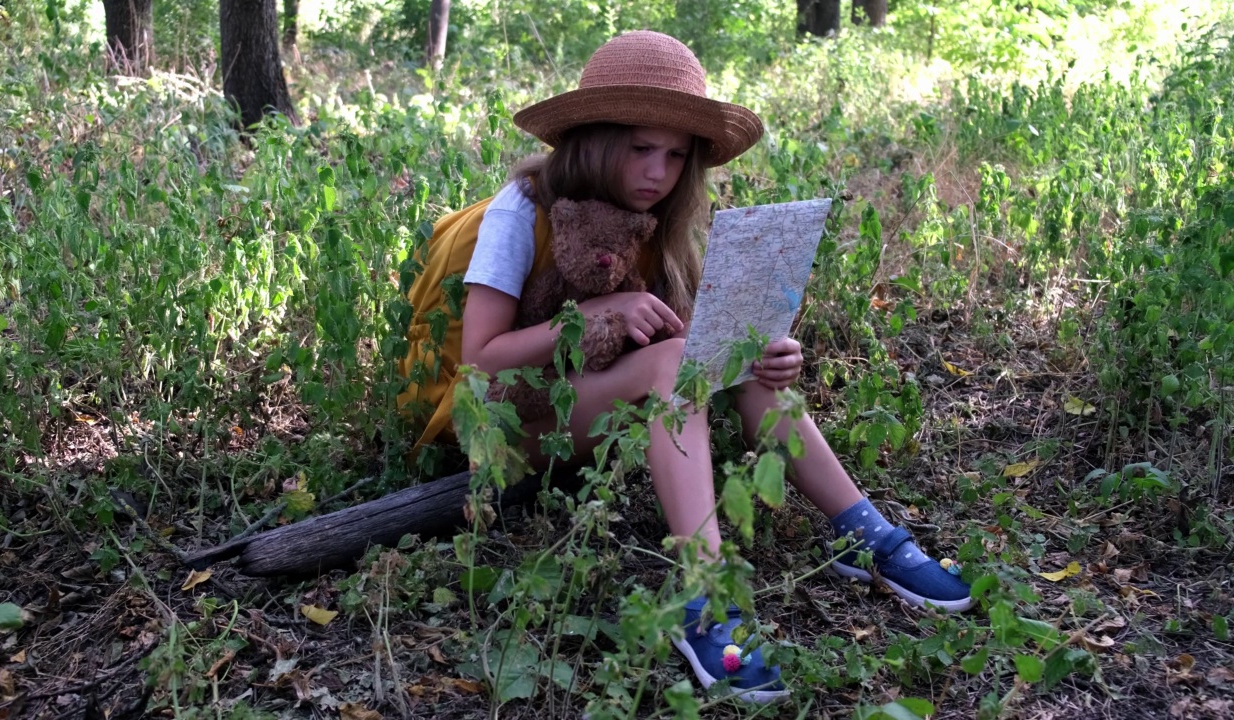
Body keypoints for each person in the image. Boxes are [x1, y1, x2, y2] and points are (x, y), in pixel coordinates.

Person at [398, 30, 972, 704]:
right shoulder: (519, 212)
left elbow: (693, 342)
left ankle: (863, 532)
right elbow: (480, 364)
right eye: (641, 148)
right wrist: (593, 317)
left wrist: (764, 356)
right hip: (495, 424)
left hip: (577, 405)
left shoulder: (657, 223)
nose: (657, 173)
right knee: (674, 363)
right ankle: (701, 598)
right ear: (595, 137)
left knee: (731, 356)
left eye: (675, 157)